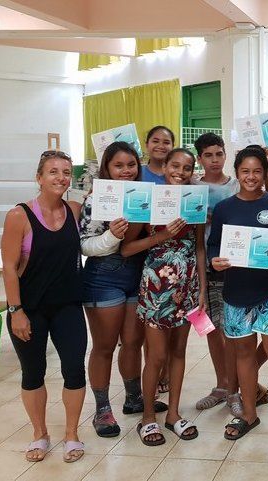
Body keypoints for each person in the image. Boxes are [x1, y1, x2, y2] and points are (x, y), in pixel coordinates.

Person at [209, 146, 268, 451]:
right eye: (245, 171)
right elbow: (213, 246)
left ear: (265, 174)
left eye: (257, 171)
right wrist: (214, 261)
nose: (251, 177)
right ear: (237, 173)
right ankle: (249, 414)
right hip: (236, 292)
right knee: (243, 354)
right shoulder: (224, 208)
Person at [0, 150, 87, 463]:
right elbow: (9, 267)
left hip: (68, 306)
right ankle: (40, 433)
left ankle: (72, 434)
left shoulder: (74, 210)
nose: (61, 178)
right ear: (39, 177)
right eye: (53, 171)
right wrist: (16, 311)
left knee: (74, 370)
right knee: (33, 372)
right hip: (30, 308)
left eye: (66, 172)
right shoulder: (19, 215)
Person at [79, 141, 167, 438]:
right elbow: (85, 245)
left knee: (132, 341)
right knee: (104, 346)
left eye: (131, 165)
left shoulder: (144, 197)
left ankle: (133, 398)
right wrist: (112, 236)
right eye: (118, 165)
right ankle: (102, 409)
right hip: (103, 277)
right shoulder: (96, 199)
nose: (126, 171)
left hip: (137, 274)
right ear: (107, 168)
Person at [121, 148, 207, 446]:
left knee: (178, 353)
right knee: (156, 356)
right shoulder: (149, 201)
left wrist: (201, 290)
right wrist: (163, 235)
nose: (180, 172)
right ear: (164, 166)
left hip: (187, 288)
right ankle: (148, 417)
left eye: (187, 168)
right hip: (156, 289)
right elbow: (127, 248)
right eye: (175, 166)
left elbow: (199, 248)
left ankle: (173, 414)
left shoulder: (195, 202)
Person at [190, 133, 242, 416]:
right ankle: (221, 384)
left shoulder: (235, 185)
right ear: (200, 159)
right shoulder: (192, 188)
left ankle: (234, 388)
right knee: (209, 329)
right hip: (201, 268)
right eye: (208, 155)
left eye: (218, 154)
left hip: (233, 266)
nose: (214, 160)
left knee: (231, 331)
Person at [140, 125, 176, 395]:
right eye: (156, 140)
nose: (161, 146)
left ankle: (164, 373)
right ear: (146, 144)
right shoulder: (137, 174)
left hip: (172, 261)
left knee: (170, 325)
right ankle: (151, 373)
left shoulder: (179, 176)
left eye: (166, 142)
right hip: (144, 252)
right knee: (149, 327)